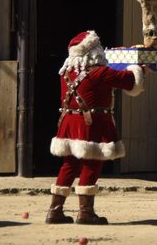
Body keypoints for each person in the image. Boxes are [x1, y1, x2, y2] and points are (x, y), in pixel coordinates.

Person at [46, 30, 147, 225]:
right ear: (95, 50)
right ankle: (86, 212)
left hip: (69, 122)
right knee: (92, 163)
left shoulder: (65, 72)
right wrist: (138, 68)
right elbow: (130, 82)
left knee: (69, 164)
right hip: (92, 123)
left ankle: (54, 211)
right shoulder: (101, 72)